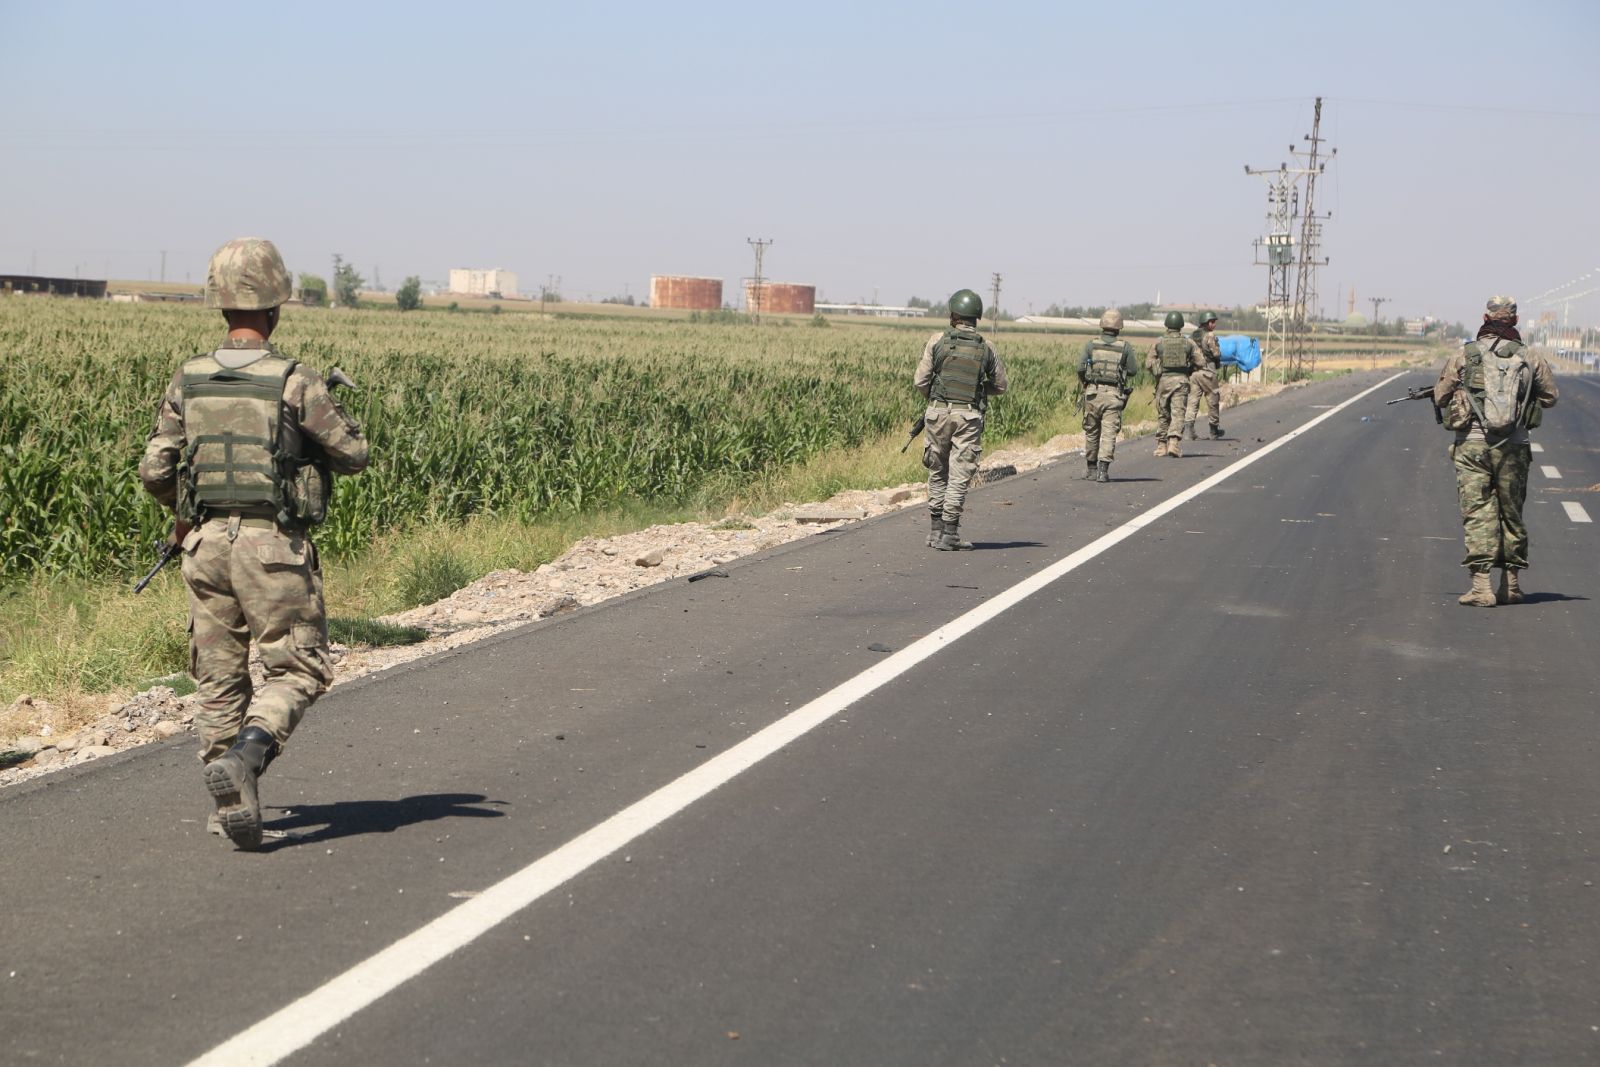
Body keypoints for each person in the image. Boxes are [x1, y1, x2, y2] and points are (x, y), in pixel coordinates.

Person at [139, 237, 370, 848]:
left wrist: (186, 516)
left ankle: (226, 802)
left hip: (205, 547)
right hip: (272, 549)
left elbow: (155, 469)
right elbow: (354, 455)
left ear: (222, 305)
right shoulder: (294, 381)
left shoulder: (187, 378)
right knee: (300, 668)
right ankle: (246, 755)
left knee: (218, 677)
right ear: (274, 308)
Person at [1432, 294, 1557, 607]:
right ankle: (1511, 585)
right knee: (1512, 514)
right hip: (1514, 447)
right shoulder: (1530, 357)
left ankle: (1481, 587)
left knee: (1478, 513)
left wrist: (1465, 391)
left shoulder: (1466, 355)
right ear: (1514, 321)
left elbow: (1440, 395)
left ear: (1485, 319)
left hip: (1472, 446)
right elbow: (1550, 397)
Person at [915, 288, 1008, 550]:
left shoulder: (936, 341)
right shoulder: (986, 347)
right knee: (959, 473)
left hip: (937, 413)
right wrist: (978, 390)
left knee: (937, 470)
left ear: (953, 314)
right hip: (968, 415)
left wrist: (934, 399)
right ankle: (950, 533)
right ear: (976, 316)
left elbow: (920, 381)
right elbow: (1001, 386)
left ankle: (935, 531)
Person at [1078, 308, 1140, 483]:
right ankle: (1102, 472)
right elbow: (1134, 370)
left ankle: (1090, 469)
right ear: (1119, 326)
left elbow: (1080, 368)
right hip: (1113, 396)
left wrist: (1085, 382)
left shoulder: (1091, 345)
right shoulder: (1125, 347)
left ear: (1102, 324)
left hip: (1093, 394)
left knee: (1091, 431)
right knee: (1109, 433)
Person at [1146, 311, 1203, 457]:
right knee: (1178, 413)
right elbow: (1201, 362)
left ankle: (1161, 446)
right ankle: (1174, 444)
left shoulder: (1159, 342)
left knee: (1163, 413)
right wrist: (1189, 368)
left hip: (1163, 382)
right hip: (1181, 382)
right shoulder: (1188, 343)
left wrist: (1158, 370)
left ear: (1167, 325)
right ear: (1181, 325)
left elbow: (1148, 364)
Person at [1183, 310, 1226, 440]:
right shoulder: (1210, 336)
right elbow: (1216, 354)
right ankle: (1214, 430)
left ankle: (1189, 430)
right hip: (1208, 371)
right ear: (1207, 323)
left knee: (1193, 401)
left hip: (1194, 373)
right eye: (1212, 322)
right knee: (1213, 400)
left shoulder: (1192, 336)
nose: (1214, 324)